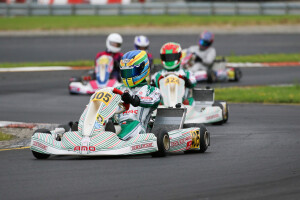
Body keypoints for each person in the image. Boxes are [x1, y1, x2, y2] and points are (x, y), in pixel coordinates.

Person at [116, 50, 161, 140]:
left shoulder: (152, 90)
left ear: (142, 68)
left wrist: (133, 99)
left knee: (133, 124)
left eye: (131, 72)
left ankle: (116, 141)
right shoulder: (118, 89)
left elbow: (151, 100)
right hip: (117, 126)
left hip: (139, 130)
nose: (128, 76)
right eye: (125, 72)